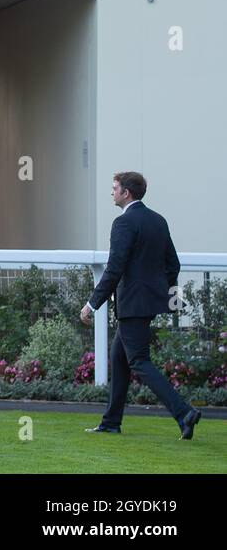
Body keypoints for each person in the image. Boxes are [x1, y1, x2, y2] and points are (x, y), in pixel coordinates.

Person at [82, 172, 201, 439]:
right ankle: (111, 422)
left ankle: (184, 413)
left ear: (126, 193)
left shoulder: (123, 223)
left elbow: (114, 269)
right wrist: (162, 295)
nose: (111, 192)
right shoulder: (158, 220)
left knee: (139, 362)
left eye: (114, 188)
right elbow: (174, 265)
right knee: (119, 359)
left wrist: (92, 304)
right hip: (145, 304)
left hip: (132, 304)